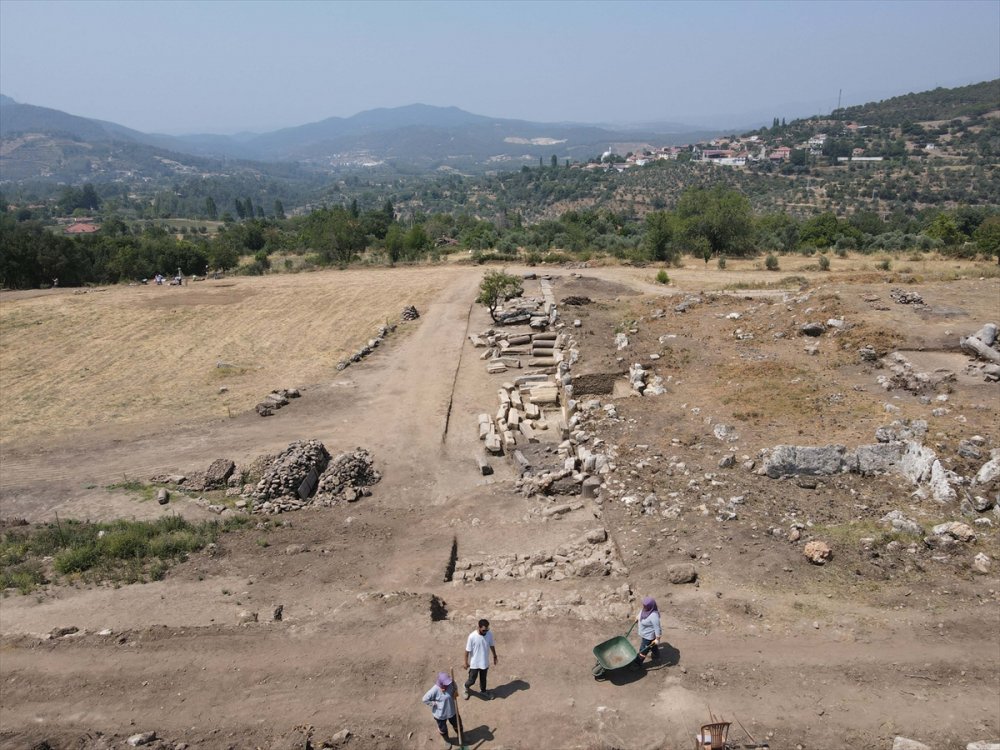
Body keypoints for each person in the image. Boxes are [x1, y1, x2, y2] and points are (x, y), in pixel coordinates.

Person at [422, 671, 459, 748]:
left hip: (452, 711)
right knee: (443, 729)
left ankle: (460, 736)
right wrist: (434, 704)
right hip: (440, 714)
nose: (448, 685)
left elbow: (455, 687)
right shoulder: (434, 690)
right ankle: (447, 740)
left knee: (457, 724)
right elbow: (425, 699)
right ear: (441, 683)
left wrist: (455, 692)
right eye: (446, 684)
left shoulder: (451, 684)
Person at [463, 618, 498, 700]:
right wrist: (465, 662)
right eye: (483, 630)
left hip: (484, 662)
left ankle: (483, 691)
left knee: (483, 679)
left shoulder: (489, 634)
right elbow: (467, 651)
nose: (485, 632)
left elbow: (492, 645)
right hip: (474, 663)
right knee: (472, 680)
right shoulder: (472, 636)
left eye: (487, 630)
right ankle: (465, 687)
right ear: (478, 627)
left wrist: (495, 656)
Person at [634, 596, 662, 665]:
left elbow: (657, 628)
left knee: (643, 650)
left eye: (645, 606)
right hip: (645, 634)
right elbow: (641, 613)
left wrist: (657, 639)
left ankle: (637, 664)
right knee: (652, 646)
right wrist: (638, 617)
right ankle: (657, 655)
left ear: (650, 606)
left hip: (648, 637)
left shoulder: (654, 616)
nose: (644, 607)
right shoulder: (646, 609)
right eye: (643, 605)